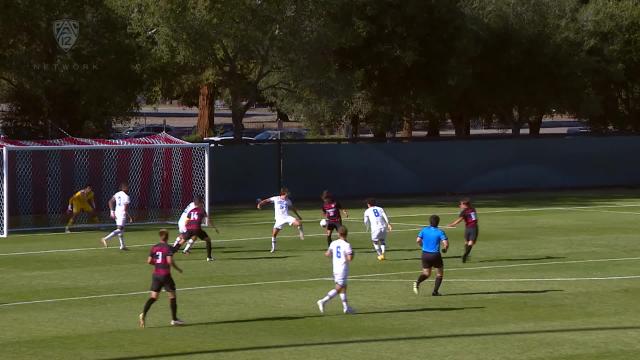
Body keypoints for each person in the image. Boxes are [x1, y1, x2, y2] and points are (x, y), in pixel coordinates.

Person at [139, 229, 184, 328]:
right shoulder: (168, 248)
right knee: (172, 296)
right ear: (167, 237)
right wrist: (178, 269)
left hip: (156, 275)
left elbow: (149, 261)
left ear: (160, 237)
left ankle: (143, 314)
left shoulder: (154, 247)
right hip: (165, 275)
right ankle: (174, 319)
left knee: (153, 297)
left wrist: (158, 263)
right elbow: (169, 261)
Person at [316, 226, 355, 314]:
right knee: (339, 288)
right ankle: (323, 301)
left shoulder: (333, 243)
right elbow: (349, 258)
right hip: (342, 269)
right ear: (346, 234)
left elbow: (327, 254)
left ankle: (346, 308)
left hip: (335, 268)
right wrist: (352, 254)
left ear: (338, 234)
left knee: (343, 287)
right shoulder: (347, 245)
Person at [256, 188, 304, 253]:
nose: (288, 195)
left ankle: (301, 233)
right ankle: (273, 248)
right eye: (287, 194)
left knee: (299, 223)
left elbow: (293, 209)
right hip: (279, 219)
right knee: (274, 234)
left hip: (287, 217)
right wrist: (260, 204)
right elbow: (266, 200)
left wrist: (298, 216)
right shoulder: (276, 198)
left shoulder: (288, 201)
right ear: (283, 193)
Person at [173, 196, 218, 261]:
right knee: (207, 239)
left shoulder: (191, 208)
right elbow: (208, 220)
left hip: (184, 224)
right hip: (195, 228)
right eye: (202, 201)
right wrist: (214, 227)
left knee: (182, 240)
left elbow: (187, 221)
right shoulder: (201, 209)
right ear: (200, 203)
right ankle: (209, 257)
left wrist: (188, 227)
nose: (203, 203)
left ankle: (169, 253)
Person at [413, 215, 449, 296]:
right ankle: (435, 292)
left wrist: (423, 246)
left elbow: (418, 240)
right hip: (435, 255)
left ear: (430, 222)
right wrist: (445, 249)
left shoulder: (424, 230)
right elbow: (446, 244)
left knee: (426, 273)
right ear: (438, 222)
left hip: (425, 254)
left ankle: (417, 282)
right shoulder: (440, 232)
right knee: (439, 273)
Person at [447, 198, 479, 263]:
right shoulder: (473, 209)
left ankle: (465, 254)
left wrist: (452, 224)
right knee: (471, 242)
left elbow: (460, 219)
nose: (460, 205)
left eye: (461, 204)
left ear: (465, 205)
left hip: (468, 228)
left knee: (467, 242)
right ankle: (466, 255)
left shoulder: (464, 212)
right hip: (474, 227)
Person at [101, 183, 131, 250]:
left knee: (121, 230)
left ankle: (122, 246)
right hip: (121, 214)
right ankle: (105, 239)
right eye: (126, 187)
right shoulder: (127, 197)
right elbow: (125, 209)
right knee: (120, 229)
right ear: (123, 188)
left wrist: (112, 211)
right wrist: (130, 217)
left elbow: (110, 201)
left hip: (117, 213)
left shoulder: (117, 194)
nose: (128, 189)